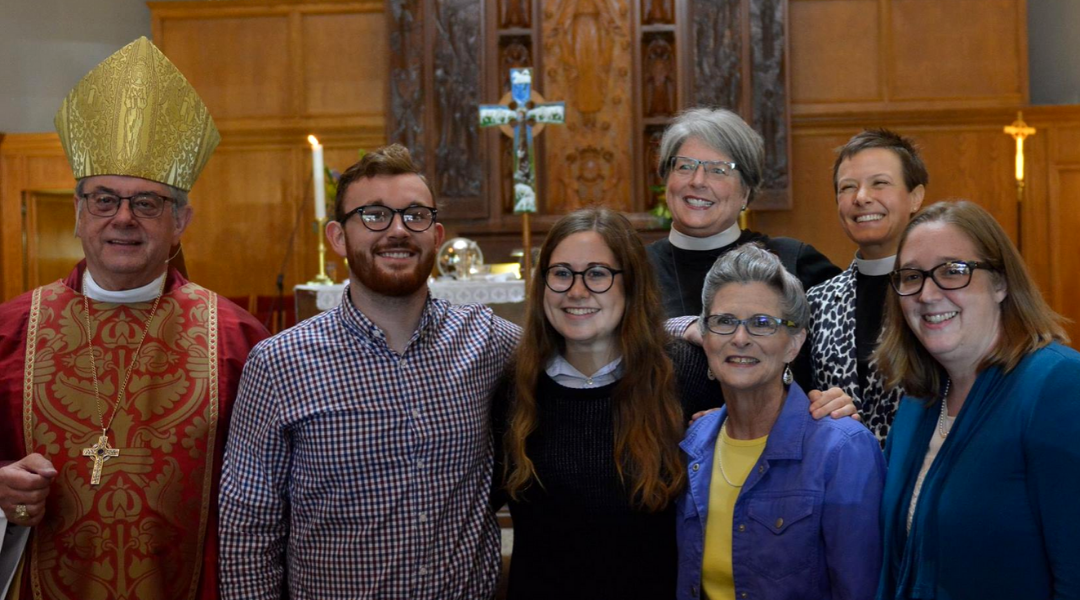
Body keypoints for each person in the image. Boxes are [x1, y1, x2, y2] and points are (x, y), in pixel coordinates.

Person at [0, 37, 268, 600]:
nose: (123, 218)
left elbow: (270, 493)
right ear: (78, 213)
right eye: (103, 199)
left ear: (181, 221)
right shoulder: (9, 331)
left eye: (146, 203)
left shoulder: (237, 340)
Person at [493, 209, 860, 600]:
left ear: (631, 284)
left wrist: (826, 405)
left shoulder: (687, 373)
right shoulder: (516, 385)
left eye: (598, 273)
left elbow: (769, 412)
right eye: (561, 273)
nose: (577, 290)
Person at [217, 144, 521, 599]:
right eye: (375, 215)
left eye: (414, 216)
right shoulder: (280, 364)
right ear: (337, 238)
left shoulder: (488, 341)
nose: (397, 230)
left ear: (436, 235)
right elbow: (248, 525)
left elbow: (584, 354)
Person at [875, 200, 1080, 600]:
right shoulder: (918, 402)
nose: (928, 294)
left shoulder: (1058, 386)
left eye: (953, 271)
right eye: (912, 276)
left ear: (1001, 283)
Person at [676, 244, 885, 600]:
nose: (740, 339)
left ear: (793, 344)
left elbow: (860, 589)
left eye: (761, 324)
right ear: (706, 338)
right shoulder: (695, 443)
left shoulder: (841, 450)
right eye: (724, 321)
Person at [646, 107, 840, 320]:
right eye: (685, 166)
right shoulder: (635, 267)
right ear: (666, 179)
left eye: (718, 170)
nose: (698, 181)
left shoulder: (792, 262)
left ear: (746, 193)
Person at [807, 129, 927, 441]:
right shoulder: (817, 301)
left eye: (879, 183)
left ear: (916, 197)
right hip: (840, 481)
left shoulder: (942, 293)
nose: (861, 198)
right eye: (848, 187)